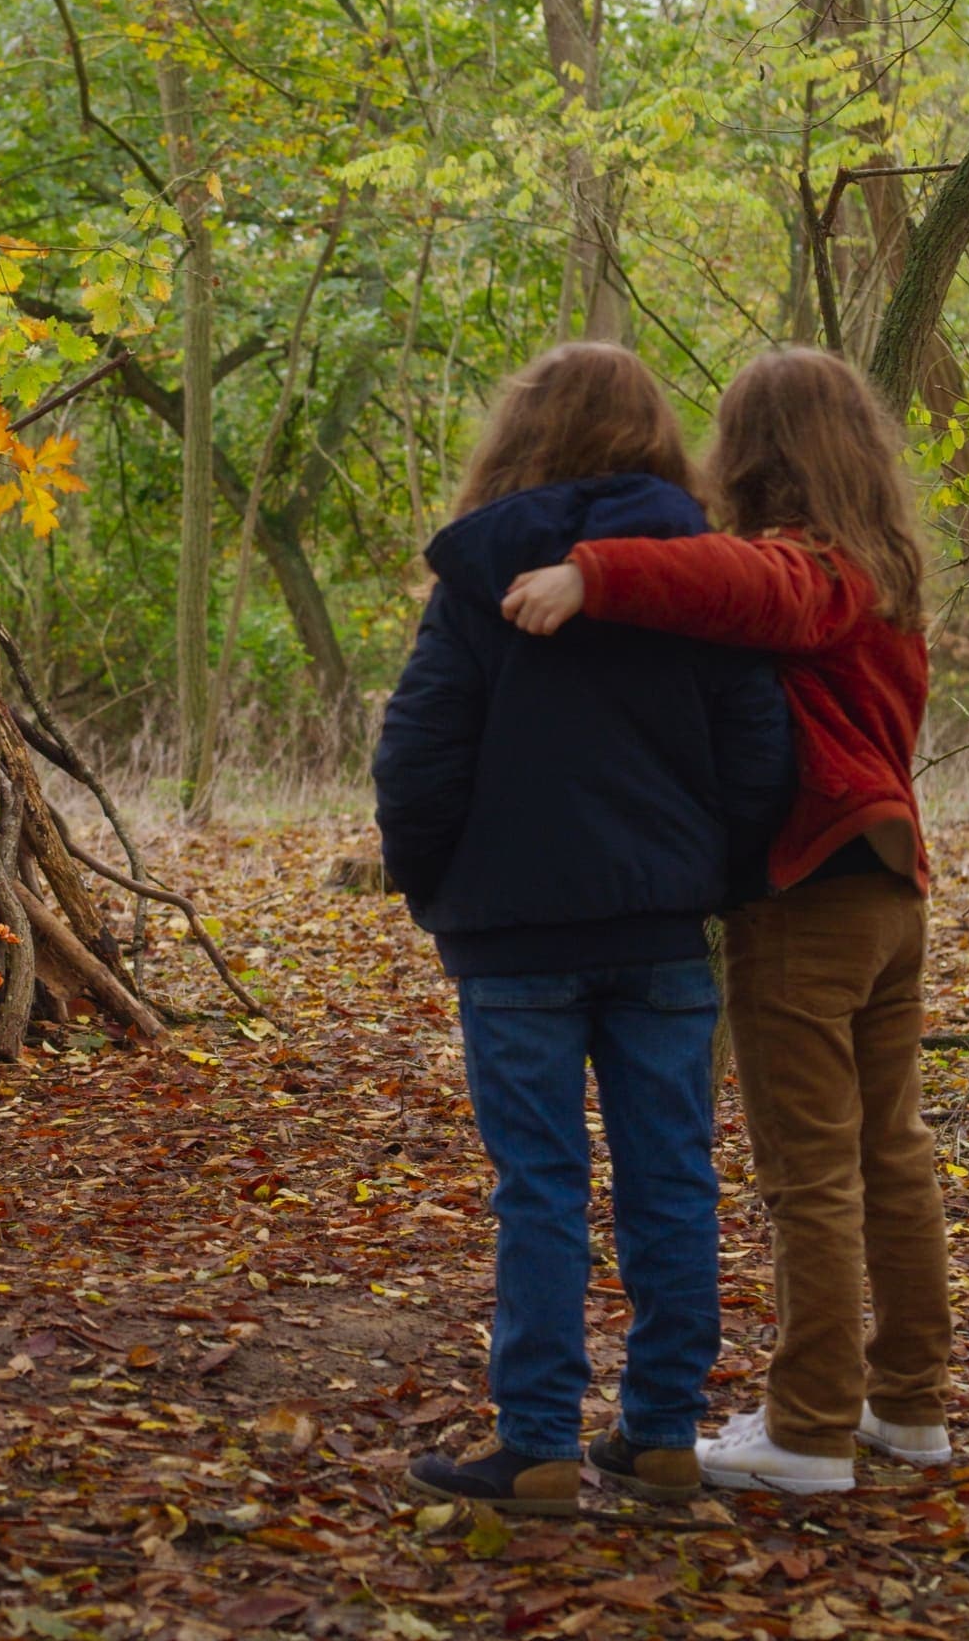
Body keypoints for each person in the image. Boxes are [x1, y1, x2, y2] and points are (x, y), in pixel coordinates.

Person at [501, 345, 949, 1496]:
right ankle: (908, 1408)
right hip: (890, 894)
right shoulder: (884, 568)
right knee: (888, 1158)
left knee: (814, 1173)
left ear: (754, 453)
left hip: (813, 900)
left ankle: (807, 1431)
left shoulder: (812, 570)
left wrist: (592, 575)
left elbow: (747, 586)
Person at [374, 343, 792, 1517]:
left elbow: (418, 759)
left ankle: (542, 1443)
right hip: (661, 930)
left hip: (515, 941)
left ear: (519, 436)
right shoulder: (702, 581)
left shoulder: (478, 586)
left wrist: (437, 889)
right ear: (657, 442)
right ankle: (661, 1435)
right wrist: (714, 876)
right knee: (671, 1176)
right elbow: (759, 754)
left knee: (543, 1187)